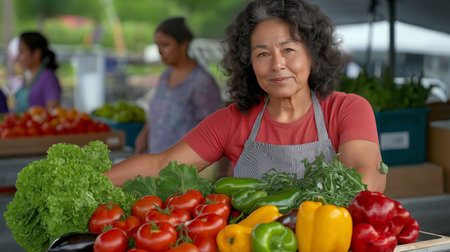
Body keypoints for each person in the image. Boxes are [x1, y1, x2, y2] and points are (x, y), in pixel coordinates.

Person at [106, 0, 386, 193]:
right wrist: (94, 180)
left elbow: (363, 173)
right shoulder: (233, 121)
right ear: (249, 63)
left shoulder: (347, 109)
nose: (277, 64)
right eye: (262, 53)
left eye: (288, 50)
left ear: (312, 54)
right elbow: (160, 165)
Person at [134, 17, 223, 154]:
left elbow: (214, 130)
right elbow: (158, 112)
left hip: (185, 167)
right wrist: (144, 135)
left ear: (184, 45)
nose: (160, 51)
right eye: (157, 45)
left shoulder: (201, 82)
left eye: (165, 45)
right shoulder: (165, 76)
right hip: (156, 160)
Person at [14, 31, 61, 113]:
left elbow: (53, 111)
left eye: (21, 52)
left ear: (36, 54)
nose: (18, 57)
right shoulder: (28, 77)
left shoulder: (48, 78)